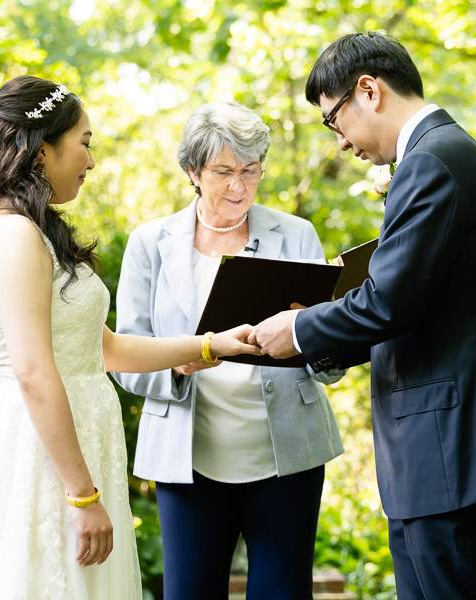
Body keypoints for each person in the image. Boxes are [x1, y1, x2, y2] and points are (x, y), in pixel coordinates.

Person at [0, 76, 260, 599]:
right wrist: (80, 495)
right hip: (43, 457)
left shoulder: (37, 229)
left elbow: (106, 348)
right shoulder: (16, 234)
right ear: (41, 147)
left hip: (80, 445)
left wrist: (212, 345)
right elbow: (33, 371)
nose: (91, 160)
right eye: (85, 143)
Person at [250, 33, 476, 599]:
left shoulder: (433, 160)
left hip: (453, 453)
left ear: (369, 91)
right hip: (440, 455)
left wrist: (299, 329)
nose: (340, 144)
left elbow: (390, 300)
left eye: (334, 122)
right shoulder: (438, 155)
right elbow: (415, 298)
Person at [110, 100, 346, 600]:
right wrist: (177, 367)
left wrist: (317, 332)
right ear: (193, 171)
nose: (239, 186)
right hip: (187, 459)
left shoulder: (296, 234)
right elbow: (125, 358)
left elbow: (330, 362)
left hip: (287, 456)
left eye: (250, 170)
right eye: (223, 172)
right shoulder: (150, 242)